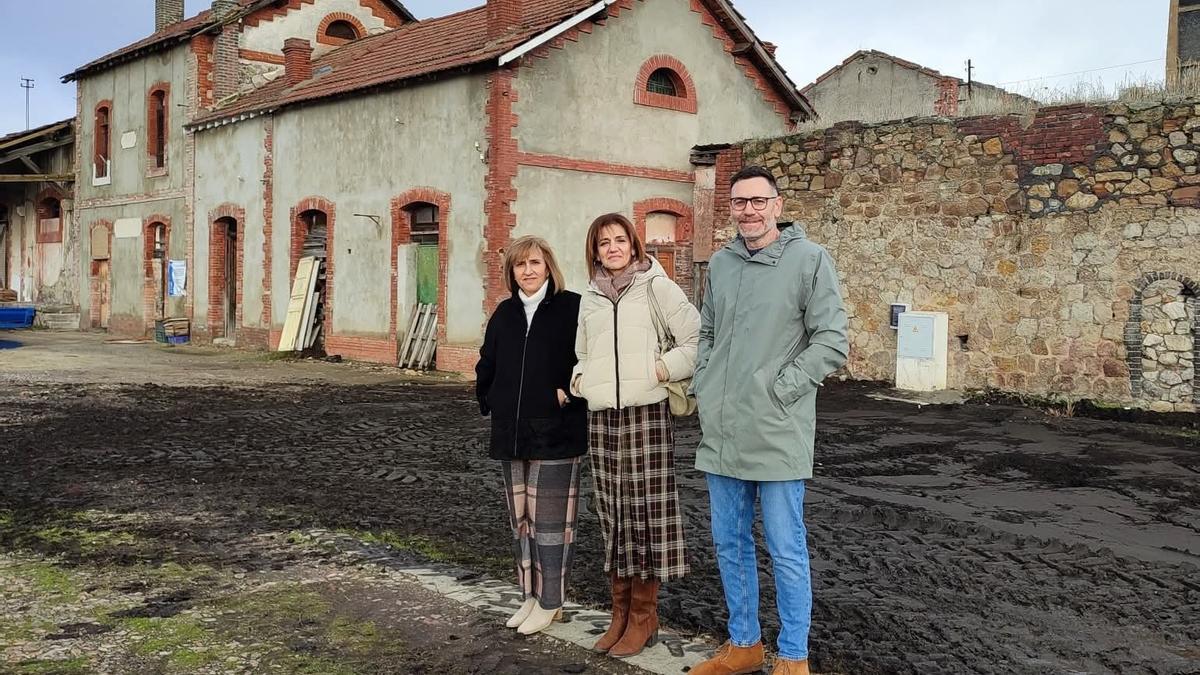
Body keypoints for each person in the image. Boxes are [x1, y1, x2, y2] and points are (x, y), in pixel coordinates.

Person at [689, 166, 849, 675]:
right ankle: (744, 644)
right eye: (740, 202)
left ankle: (794, 656)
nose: (749, 210)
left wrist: (782, 389)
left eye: (759, 201)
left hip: (779, 428)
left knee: (785, 547)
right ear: (731, 209)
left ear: (778, 206)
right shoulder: (720, 264)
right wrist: (707, 382)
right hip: (723, 430)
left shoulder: (809, 260)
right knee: (729, 544)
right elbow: (707, 330)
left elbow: (832, 341)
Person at [570, 213, 699, 658]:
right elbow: (582, 353)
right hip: (603, 418)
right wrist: (581, 381)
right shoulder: (589, 297)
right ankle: (619, 613)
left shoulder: (656, 286)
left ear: (633, 244)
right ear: (595, 250)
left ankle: (644, 615)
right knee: (613, 514)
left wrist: (663, 369)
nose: (612, 248)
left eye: (619, 239)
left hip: (646, 412)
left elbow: (698, 338)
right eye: (603, 242)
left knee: (646, 513)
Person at [476, 235, 587, 636]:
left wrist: (568, 393)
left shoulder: (572, 307)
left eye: (535, 263)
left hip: (556, 432)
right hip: (512, 433)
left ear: (548, 267)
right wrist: (489, 399)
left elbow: (587, 359)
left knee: (552, 525)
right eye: (520, 265)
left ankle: (552, 601)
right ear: (512, 272)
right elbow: (487, 361)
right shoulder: (504, 313)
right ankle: (530, 595)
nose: (528, 271)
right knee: (521, 521)